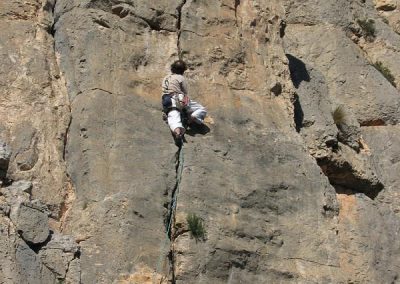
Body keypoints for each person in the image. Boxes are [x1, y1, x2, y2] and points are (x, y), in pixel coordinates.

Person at [161, 60, 207, 139]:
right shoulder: (181, 78)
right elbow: (185, 93)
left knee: (174, 118)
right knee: (201, 109)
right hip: (178, 98)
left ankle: (178, 132)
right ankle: (190, 118)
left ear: (172, 68)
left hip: (166, 99)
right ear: (182, 70)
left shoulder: (166, 77)